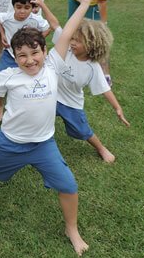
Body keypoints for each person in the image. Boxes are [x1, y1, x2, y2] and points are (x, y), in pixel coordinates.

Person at [0, 0, 100, 257]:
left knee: (68, 184)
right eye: (22, 56)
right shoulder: (9, 76)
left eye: (35, 53)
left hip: (44, 145)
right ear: (14, 55)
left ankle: (72, 229)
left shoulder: (54, 64)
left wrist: (86, 2)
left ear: (45, 51)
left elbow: (67, 30)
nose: (30, 60)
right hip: (10, 142)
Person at [54, 19, 130, 163]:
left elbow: (105, 89)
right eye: (72, 38)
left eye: (78, 41)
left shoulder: (93, 68)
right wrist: (41, 4)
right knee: (36, 113)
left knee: (82, 130)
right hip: (51, 95)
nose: (72, 43)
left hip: (70, 103)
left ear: (92, 45)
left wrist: (117, 108)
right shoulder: (66, 50)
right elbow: (55, 25)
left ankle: (101, 148)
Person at [0, 0, 50, 121]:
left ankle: (30, 105)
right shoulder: (6, 17)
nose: (22, 11)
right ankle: (0, 106)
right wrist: (2, 35)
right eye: (18, 7)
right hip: (10, 55)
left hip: (28, 58)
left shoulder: (35, 20)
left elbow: (48, 28)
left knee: (31, 81)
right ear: (13, 6)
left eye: (26, 8)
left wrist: (37, 40)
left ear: (32, 8)